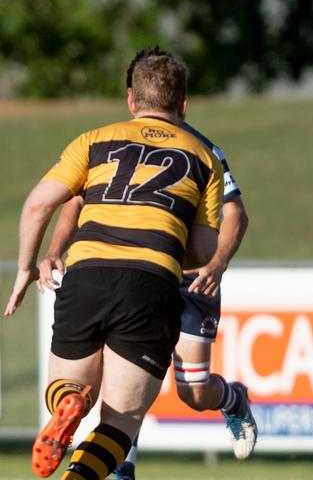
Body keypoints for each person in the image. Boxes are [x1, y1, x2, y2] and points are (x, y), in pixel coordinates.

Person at [32, 47, 257, 480]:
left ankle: (232, 400)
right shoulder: (116, 139)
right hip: (140, 271)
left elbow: (235, 213)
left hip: (190, 278)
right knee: (120, 375)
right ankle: (120, 469)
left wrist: (217, 265)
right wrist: (55, 248)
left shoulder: (203, 151)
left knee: (193, 393)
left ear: (134, 98)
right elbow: (78, 199)